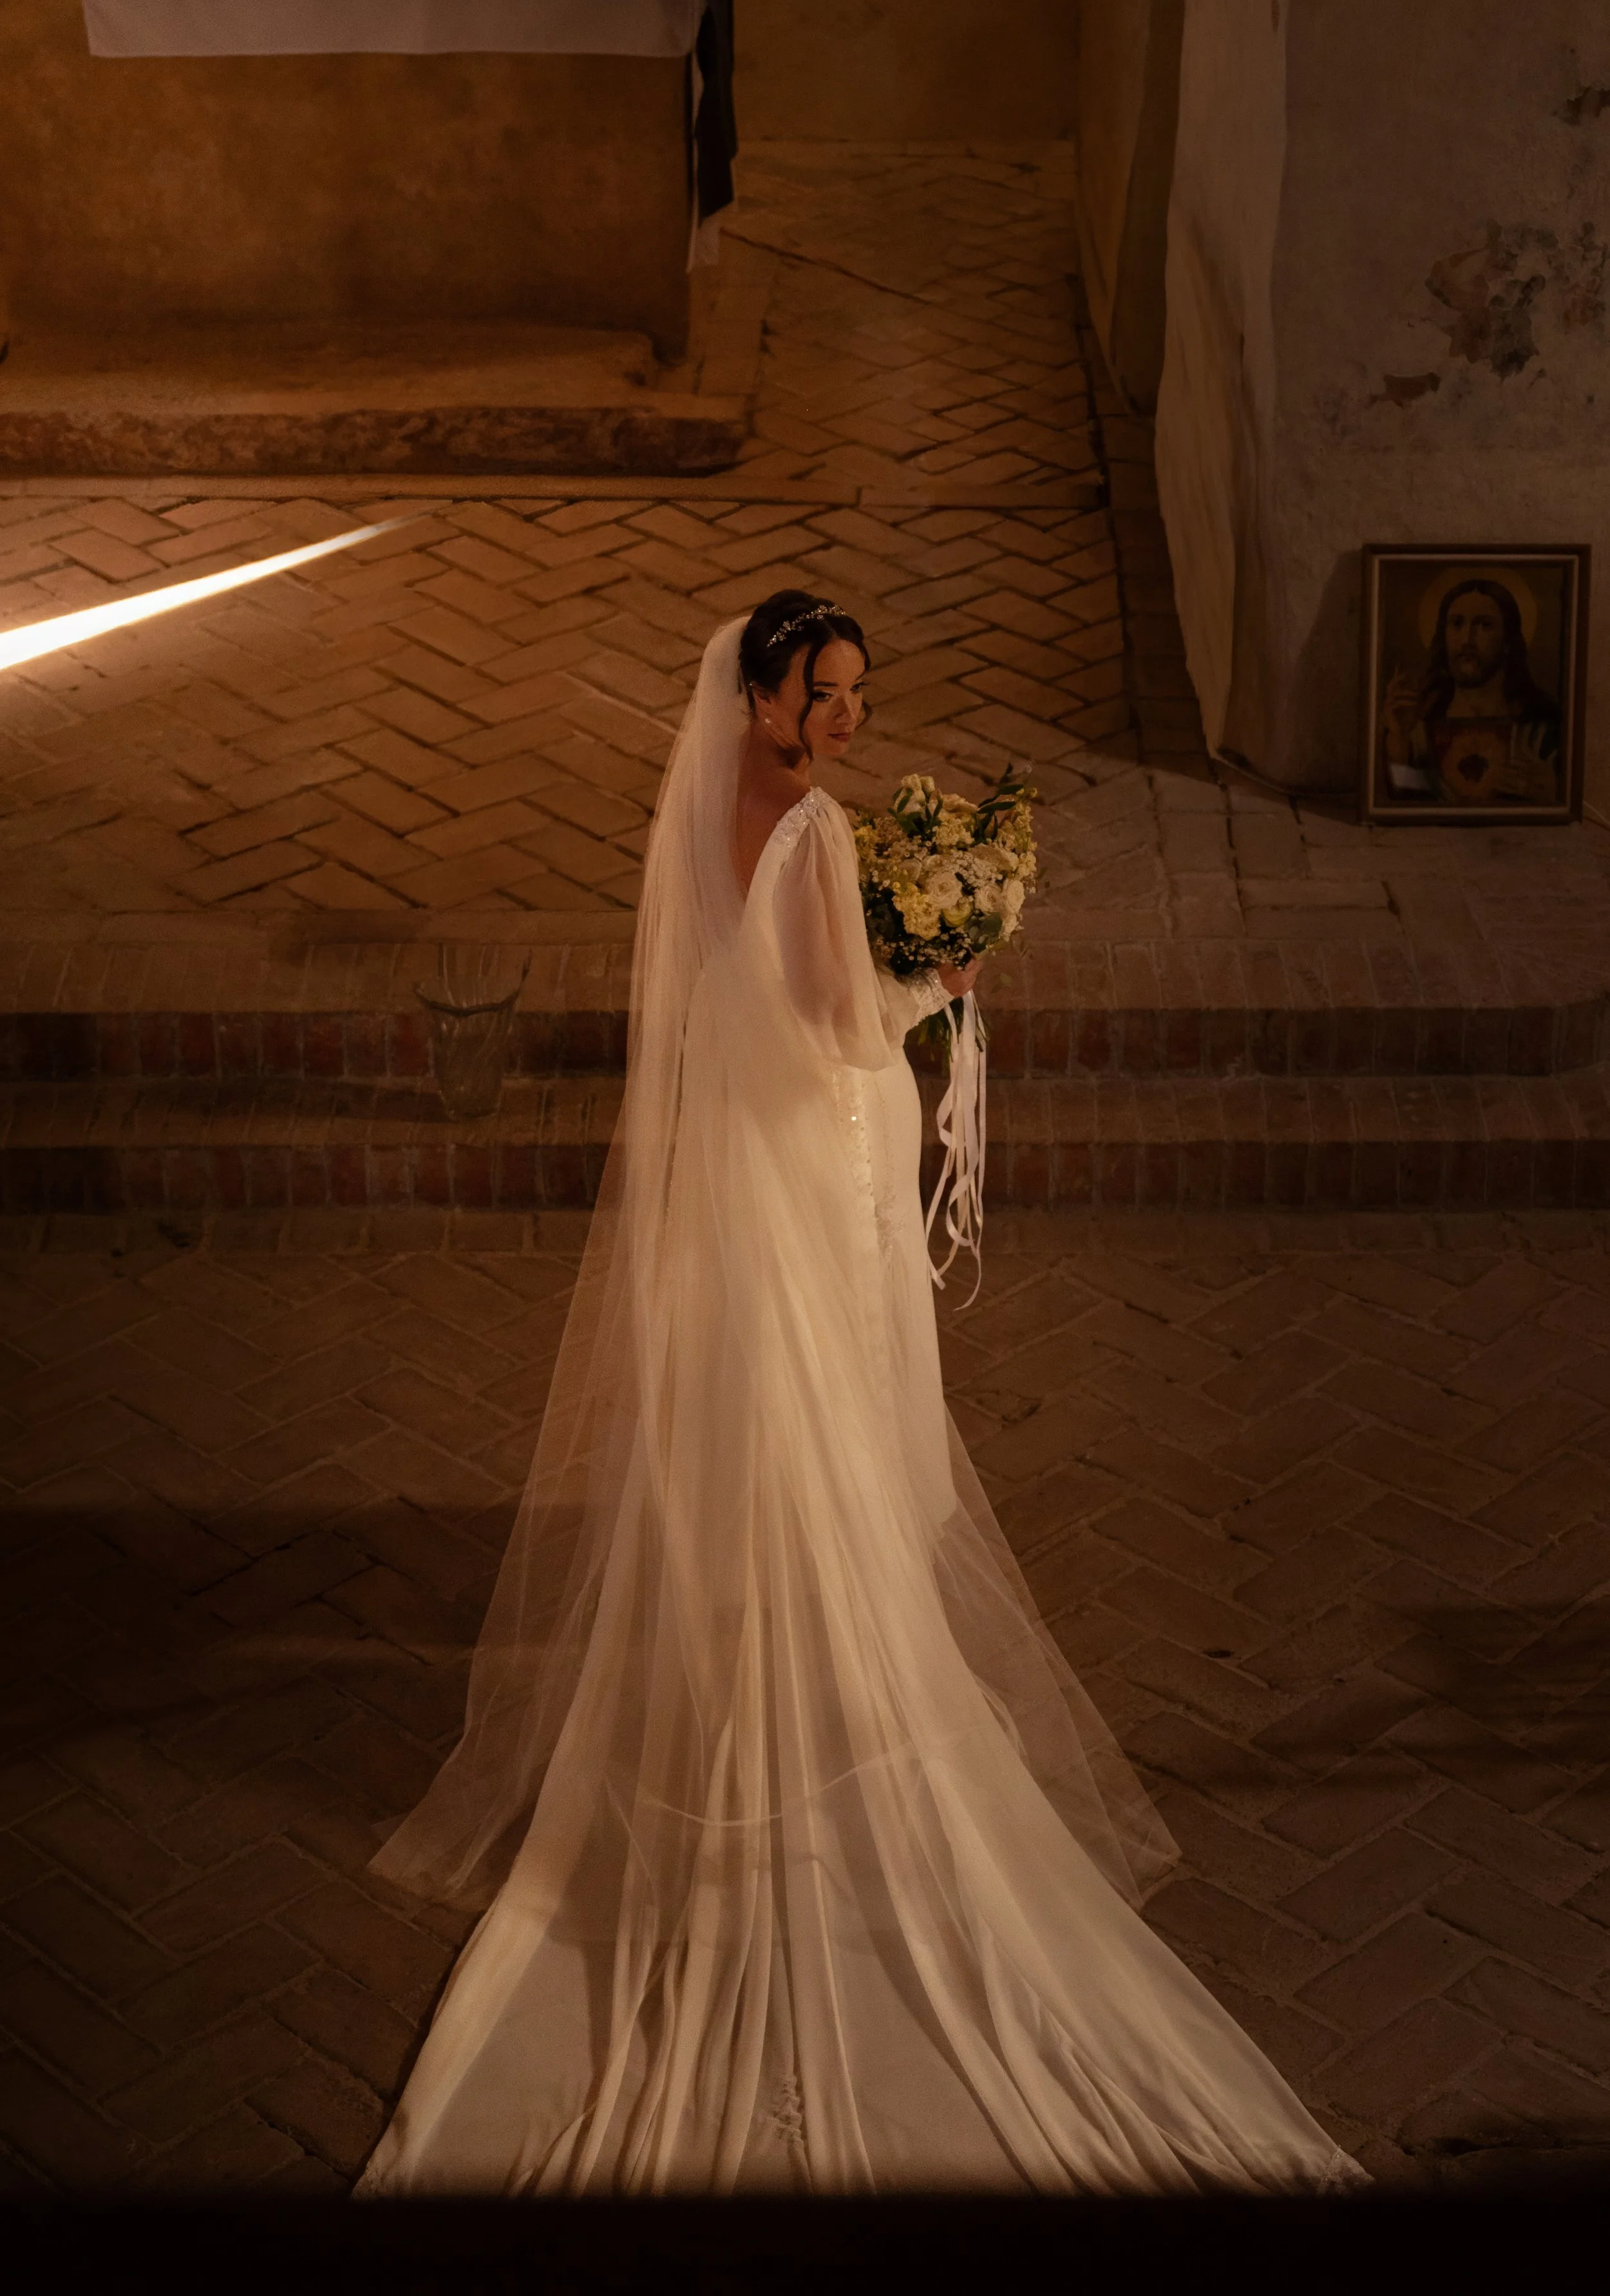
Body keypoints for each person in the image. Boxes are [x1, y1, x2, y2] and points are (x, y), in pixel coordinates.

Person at [357, 592, 1362, 2196]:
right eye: (824, 693)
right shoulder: (816, 833)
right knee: (832, 1435)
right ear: (764, 691)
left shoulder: (696, 807)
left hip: (730, 1185)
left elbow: (718, 1001)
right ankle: (838, 1722)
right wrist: (945, 970)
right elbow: (837, 1022)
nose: (844, 718)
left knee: (752, 1440)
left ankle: (741, 1705)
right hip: (814, 1176)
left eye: (854, 694)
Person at [1381, 577, 1560, 805]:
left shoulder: (1540, 732)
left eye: (1484, 625)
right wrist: (1398, 741)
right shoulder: (1419, 732)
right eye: (1457, 624)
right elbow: (1414, 797)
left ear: (1508, 640)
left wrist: (1554, 791)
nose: (1467, 640)